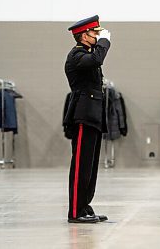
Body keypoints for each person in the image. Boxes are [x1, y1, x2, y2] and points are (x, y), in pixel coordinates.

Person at [63, 15, 111, 223]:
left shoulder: (86, 55)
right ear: (84, 35)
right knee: (81, 165)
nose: (98, 36)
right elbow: (96, 59)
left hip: (93, 116)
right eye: (95, 33)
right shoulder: (77, 55)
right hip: (83, 116)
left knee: (90, 167)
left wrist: (100, 43)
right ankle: (74, 211)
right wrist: (105, 42)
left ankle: (84, 207)